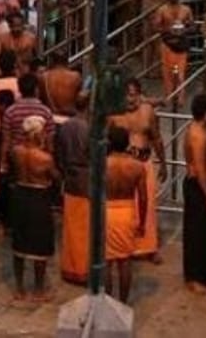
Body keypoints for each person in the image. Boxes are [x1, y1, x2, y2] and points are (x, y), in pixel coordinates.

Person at [110, 78, 162, 262]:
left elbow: (156, 138)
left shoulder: (148, 111)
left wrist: (163, 163)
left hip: (145, 161)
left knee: (147, 206)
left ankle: (149, 247)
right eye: (126, 95)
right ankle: (126, 244)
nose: (129, 99)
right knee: (126, 205)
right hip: (123, 163)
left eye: (132, 95)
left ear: (139, 95)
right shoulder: (114, 113)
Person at [9, 115, 58, 301]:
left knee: (19, 241)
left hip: (21, 195)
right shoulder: (45, 158)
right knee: (40, 244)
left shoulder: (16, 152)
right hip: (39, 197)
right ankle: (38, 289)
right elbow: (55, 177)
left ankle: (19, 287)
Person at [103, 126, 149, 303]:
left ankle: (107, 302)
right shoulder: (137, 166)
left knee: (106, 261)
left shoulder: (103, 164)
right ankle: (123, 302)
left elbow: (94, 191)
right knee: (125, 261)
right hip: (127, 212)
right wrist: (142, 223)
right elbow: (143, 198)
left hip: (107, 211)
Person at [183, 93, 206, 293]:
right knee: (197, 233)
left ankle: (205, 271)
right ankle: (195, 277)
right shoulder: (197, 135)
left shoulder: (203, 130)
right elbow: (198, 168)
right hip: (199, 188)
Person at [56, 92, 92, 285]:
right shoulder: (87, 128)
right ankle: (83, 268)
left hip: (70, 178)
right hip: (86, 179)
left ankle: (71, 267)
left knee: (71, 225)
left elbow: (59, 153)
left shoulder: (65, 127)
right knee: (84, 227)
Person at [153, 0, 195, 106]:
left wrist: (184, 30)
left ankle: (180, 98)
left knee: (180, 72)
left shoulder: (186, 9)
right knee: (167, 72)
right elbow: (156, 26)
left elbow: (192, 26)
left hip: (181, 45)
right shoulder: (162, 10)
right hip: (167, 44)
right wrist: (168, 29)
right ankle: (169, 96)